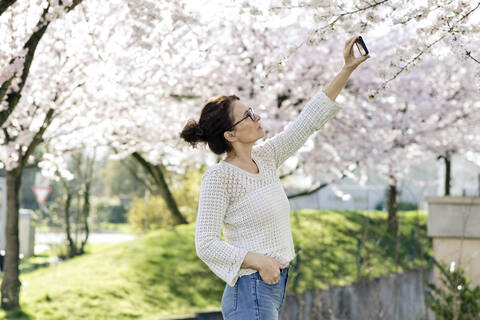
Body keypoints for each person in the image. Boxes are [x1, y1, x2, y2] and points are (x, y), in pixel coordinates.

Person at [179, 35, 370, 319]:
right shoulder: (219, 178)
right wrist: (258, 262)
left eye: (252, 111)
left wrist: (346, 70)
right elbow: (205, 243)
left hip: (270, 289)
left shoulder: (266, 158)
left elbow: (309, 120)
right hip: (250, 290)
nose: (257, 117)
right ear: (230, 135)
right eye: (247, 116)